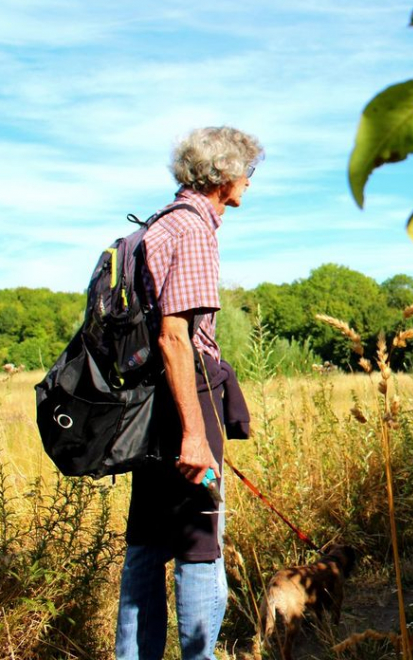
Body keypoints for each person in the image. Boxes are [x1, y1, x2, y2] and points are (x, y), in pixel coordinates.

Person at [115, 126, 263, 660]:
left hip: (148, 407)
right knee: (200, 547)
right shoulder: (195, 230)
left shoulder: (154, 227)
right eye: (249, 170)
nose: (250, 180)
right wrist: (196, 436)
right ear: (224, 177)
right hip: (186, 405)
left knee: (146, 546)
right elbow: (175, 336)